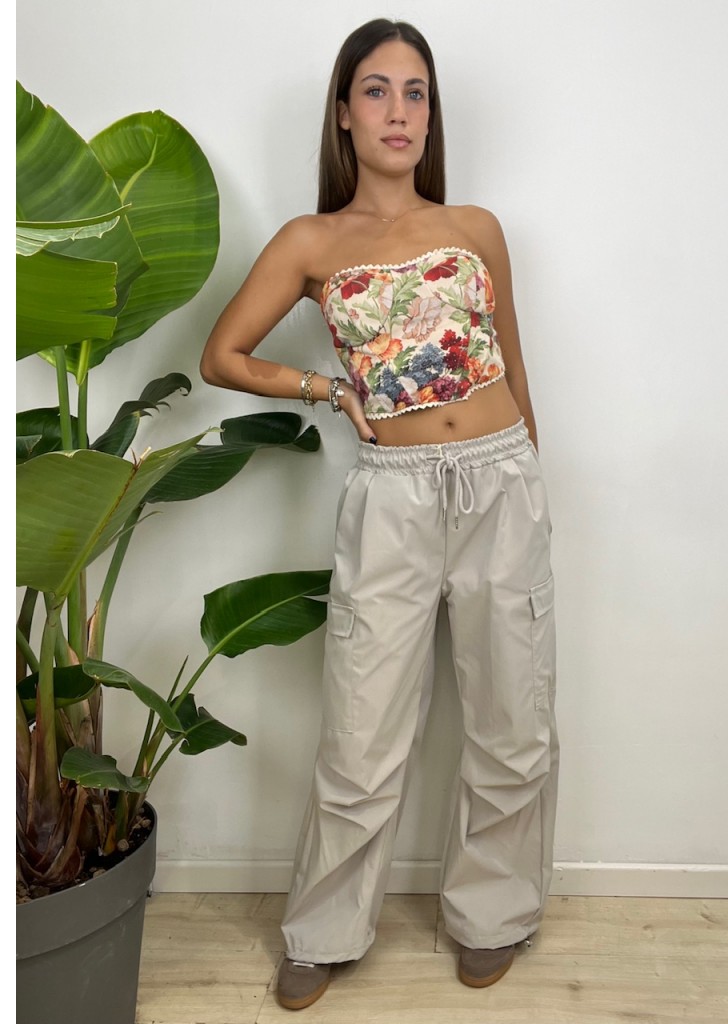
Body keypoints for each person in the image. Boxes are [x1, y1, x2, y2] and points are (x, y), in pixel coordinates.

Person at [200, 17, 559, 1012]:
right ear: (343, 113)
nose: (398, 111)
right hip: (392, 497)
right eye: (376, 90)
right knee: (362, 732)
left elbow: (513, 364)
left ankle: (491, 913)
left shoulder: (476, 228)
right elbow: (222, 354)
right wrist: (324, 389)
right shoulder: (311, 242)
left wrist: (530, 480)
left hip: (499, 481)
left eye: (415, 92)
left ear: (429, 115)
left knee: (511, 720)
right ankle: (323, 929)